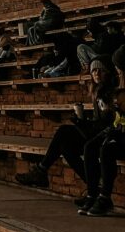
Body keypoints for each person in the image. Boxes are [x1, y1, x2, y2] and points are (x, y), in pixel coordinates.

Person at [15, 57, 119, 191]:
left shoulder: (111, 94)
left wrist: (81, 123)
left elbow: (106, 124)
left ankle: (42, 171)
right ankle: (93, 187)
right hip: (95, 133)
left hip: (105, 137)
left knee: (64, 132)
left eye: (101, 71)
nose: (97, 74)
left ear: (108, 72)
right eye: (94, 71)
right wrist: (81, 120)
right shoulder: (97, 91)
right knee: (65, 146)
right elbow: (98, 122)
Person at [79, 88, 125, 215]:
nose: (117, 105)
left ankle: (105, 198)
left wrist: (117, 135)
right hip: (120, 138)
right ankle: (92, 194)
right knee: (90, 146)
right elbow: (115, 126)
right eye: (116, 103)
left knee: (107, 150)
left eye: (120, 102)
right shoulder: (119, 112)